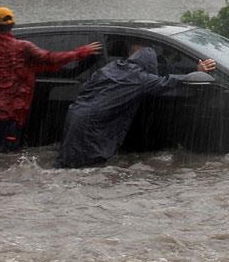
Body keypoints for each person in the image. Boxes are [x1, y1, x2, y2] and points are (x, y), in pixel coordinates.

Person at [0, 6, 101, 156]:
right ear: (12, 26)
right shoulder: (24, 48)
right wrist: (79, 53)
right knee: (9, 160)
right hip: (8, 114)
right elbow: (51, 59)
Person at [55, 43, 217, 169]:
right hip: (94, 125)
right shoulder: (139, 78)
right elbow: (166, 82)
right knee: (88, 165)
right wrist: (196, 72)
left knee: (69, 162)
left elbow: (88, 87)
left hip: (76, 115)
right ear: (149, 63)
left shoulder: (112, 67)